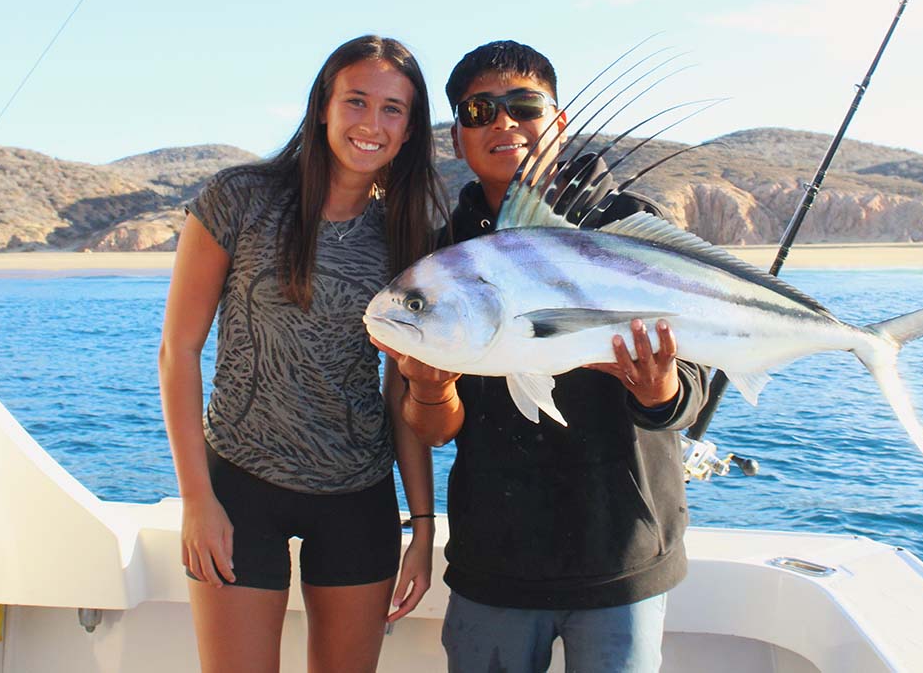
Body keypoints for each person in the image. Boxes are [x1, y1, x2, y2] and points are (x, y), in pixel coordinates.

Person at [380, 40, 709, 673]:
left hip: (623, 556)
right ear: (457, 138)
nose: (503, 123)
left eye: (524, 105)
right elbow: (432, 428)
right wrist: (429, 388)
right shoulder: (440, 263)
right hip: (496, 564)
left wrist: (660, 389)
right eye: (479, 111)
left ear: (557, 123)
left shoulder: (629, 225)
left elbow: (692, 380)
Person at [159, 35, 447, 673]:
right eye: (357, 101)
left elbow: (401, 392)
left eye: (393, 109)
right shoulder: (241, 198)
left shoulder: (406, 237)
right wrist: (197, 501)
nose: (372, 124)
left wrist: (422, 527)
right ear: (324, 106)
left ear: (409, 130)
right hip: (238, 485)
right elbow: (179, 351)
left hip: (357, 495)